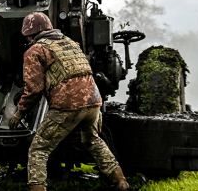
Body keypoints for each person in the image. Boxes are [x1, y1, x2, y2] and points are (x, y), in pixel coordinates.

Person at [9, 12, 130, 191]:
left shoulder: (35, 50)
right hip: (93, 101)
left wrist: (18, 114)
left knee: (39, 149)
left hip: (67, 105)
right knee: (93, 141)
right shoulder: (71, 43)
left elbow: (33, 89)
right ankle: (121, 182)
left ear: (29, 34)